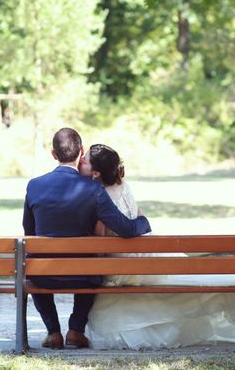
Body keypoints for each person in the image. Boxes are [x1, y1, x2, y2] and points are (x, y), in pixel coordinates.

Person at [79, 144, 235, 351]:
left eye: (85, 161)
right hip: (146, 260)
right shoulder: (125, 188)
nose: (82, 163)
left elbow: (102, 243)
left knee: (112, 272)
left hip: (122, 268)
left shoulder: (98, 198)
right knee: (185, 272)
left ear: (97, 174)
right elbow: (140, 219)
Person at [22, 128, 151, 350]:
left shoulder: (34, 185)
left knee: (33, 265)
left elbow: (29, 229)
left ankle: (53, 332)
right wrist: (144, 222)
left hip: (43, 274)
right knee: (92, 266)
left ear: (53, 154)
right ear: (81, 151)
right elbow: (126, 228)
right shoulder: (94, 189)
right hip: (83, 274)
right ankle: (76, 329)